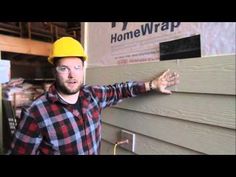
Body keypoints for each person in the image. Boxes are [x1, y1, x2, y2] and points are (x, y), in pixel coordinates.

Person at [9, 37, 179, 155]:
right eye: (64, 68)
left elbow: (119, 90)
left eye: (77, 67)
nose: (71, 75)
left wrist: (152, 85)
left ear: (82, 69)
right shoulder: (36, 113)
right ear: (55, 71)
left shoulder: (92, 96)